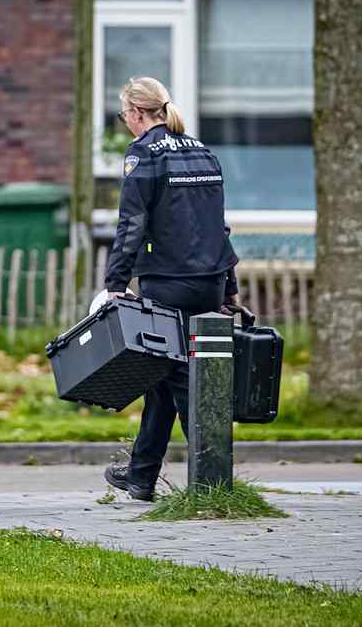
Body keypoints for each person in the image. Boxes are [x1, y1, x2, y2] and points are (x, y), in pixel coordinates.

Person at [101, 76, 240, 501]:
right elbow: (217, 225)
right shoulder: (203, 152)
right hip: (209, 282)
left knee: (179, 378)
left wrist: (115, 284)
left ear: (138, 113)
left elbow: (132, 225)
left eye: (125, 115)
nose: (126, 123)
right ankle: (141, 476)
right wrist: (229, 286)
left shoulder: (143, 156)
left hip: (168, 282)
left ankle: (212, 479)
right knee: (160, 376)